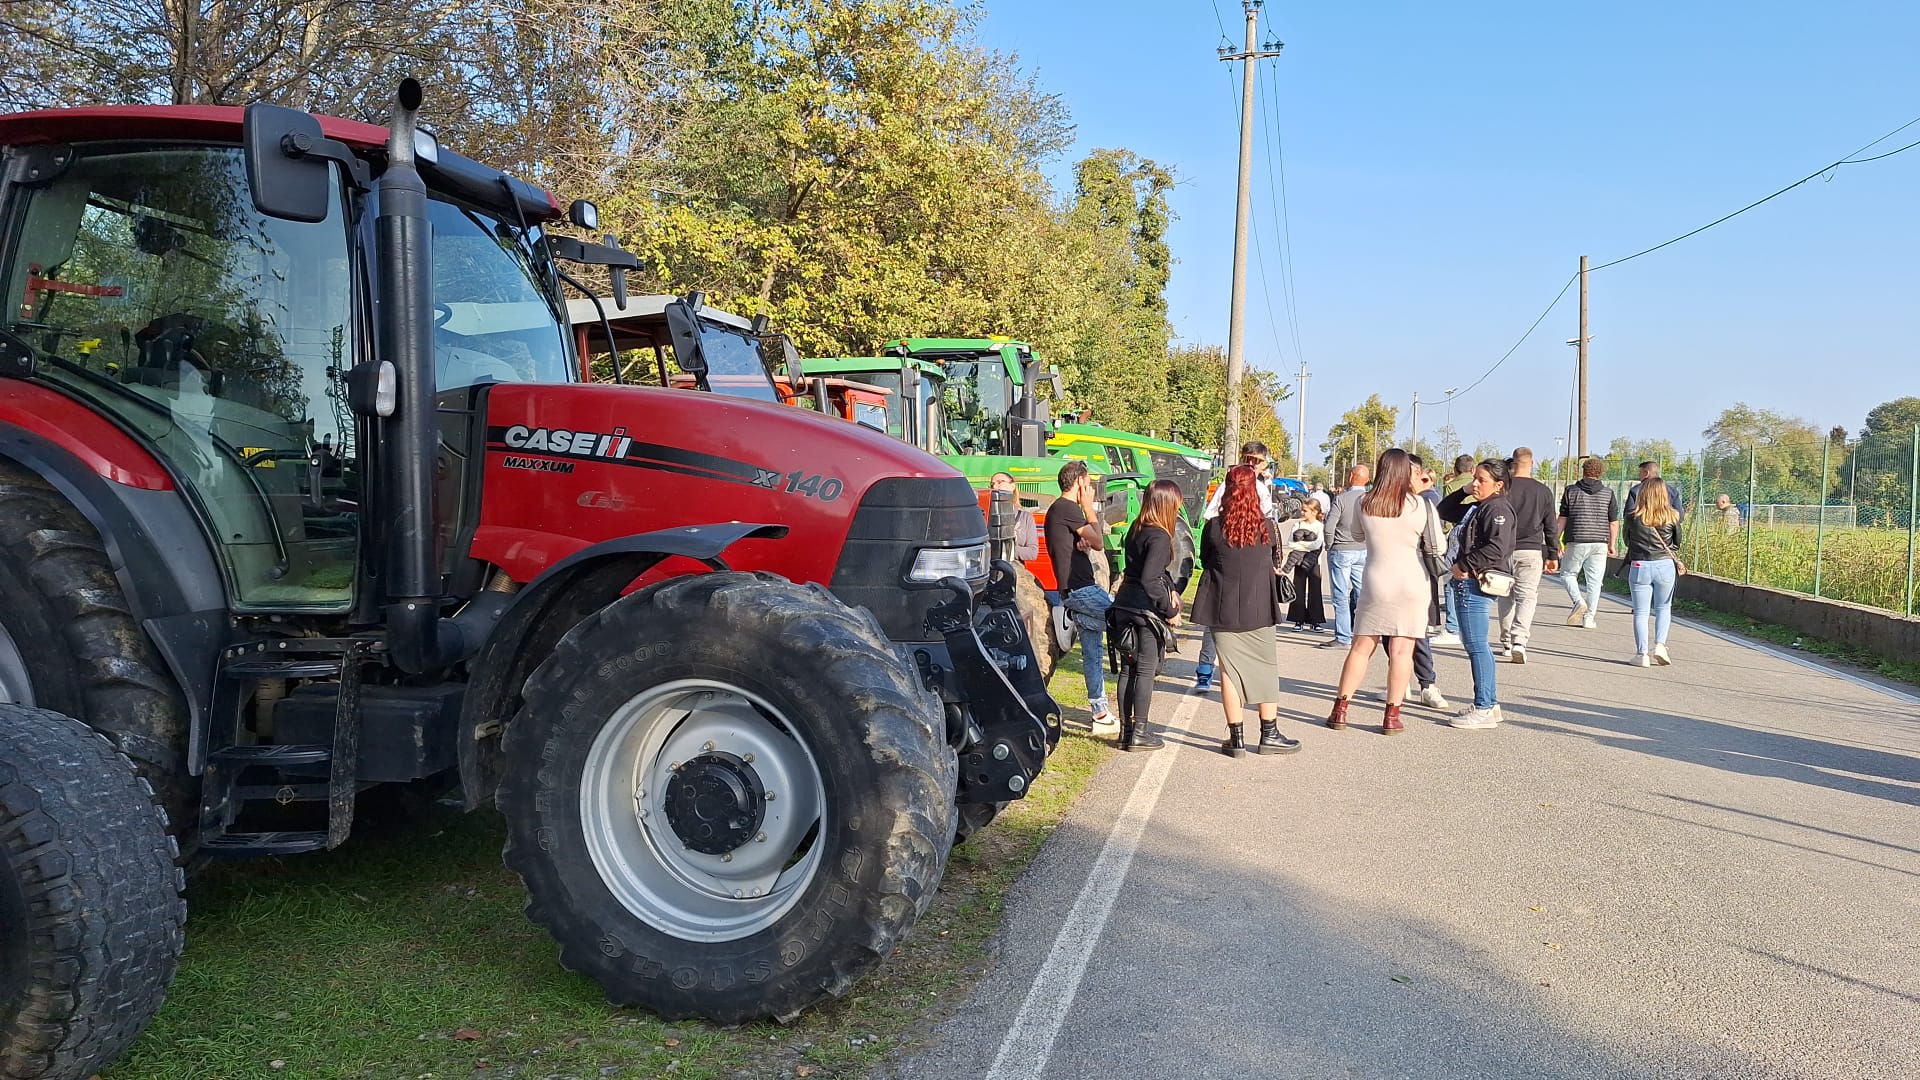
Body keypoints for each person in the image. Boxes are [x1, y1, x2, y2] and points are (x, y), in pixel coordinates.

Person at [1326, 450, 1442, 735]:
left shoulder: (1366, 502)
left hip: (1377, 579)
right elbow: (1437, 545)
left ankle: (1341, 709)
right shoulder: (1421, 505)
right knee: (1402, 650)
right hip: (1413, 580)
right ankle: (1391, 715)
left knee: (1362, 647)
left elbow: (1356, 535)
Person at [1192, 465, 1299, 757]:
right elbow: (1276, 560)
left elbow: (1205, 560)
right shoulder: (1267, 527)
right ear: (1255, 490)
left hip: (1223, 607)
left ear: (1227, 489)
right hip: (1259, 606)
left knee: (1228, 672)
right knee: (1266, 667)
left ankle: (1236, 738)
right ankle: (1269, 734)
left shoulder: (1213, 527)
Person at [1106, 480, 1185, 751]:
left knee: (1128, 670)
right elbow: (1151, 579)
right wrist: (1170, 610)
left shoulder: (1137, 528)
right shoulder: (1161, 536)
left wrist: (1171, 589)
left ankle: (1127, 732)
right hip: (1144, 611)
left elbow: (1146, 571)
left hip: (1124, 604)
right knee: (1145, 671)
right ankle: (1140, 731)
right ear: (1167, 504)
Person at [1438, 459, 1517, 730]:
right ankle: (1489, 704)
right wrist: (1464, 491)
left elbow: (1498, 547)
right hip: (1468, 581)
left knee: (1477, 645)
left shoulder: (1497, 508)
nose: (1476, 484)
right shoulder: (1479, 505)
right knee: (1475, 644)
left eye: (1482, 481)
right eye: (1475, 478)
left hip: (1476, 583)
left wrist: (1464, 564)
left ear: (1499, 484)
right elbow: (1444, 510)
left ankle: (1484, 706)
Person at [1195, 442, 1274, 692]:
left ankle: (1207, 670)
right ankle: (1224, 671)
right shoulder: (1256, 488)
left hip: (1225, 549)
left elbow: (1208, 525)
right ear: (1258, 462)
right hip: (1243, 550)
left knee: (1217, 619)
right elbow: (1267, 524)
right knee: (1248, 621)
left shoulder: (1226, 485)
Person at [1045, 460, 1115, 731]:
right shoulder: (1067, 508)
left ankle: (1100, 712)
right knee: (1126, 620)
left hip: (1077, 588)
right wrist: (1089, 507)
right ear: (1079, 484)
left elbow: (1088, 543)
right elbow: (1099, 541)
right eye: (1088, 484)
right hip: (1081, 589)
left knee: (1093, 650)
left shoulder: (1061, 511)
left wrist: (1081, 546)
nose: (1092, 489)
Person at [1495, 447, 1559, 664]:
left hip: (1503, 549)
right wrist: (1553, 554)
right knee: (1527, 596)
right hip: (1531, 550)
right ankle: (1519, 640)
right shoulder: (1543, 491)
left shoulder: (1504, 488)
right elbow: (1551, 526)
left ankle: (1505, 642)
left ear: (1513, 462)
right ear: (1532, 463)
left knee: (1505, 595)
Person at [1404, 455, 1450, 710]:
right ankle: (1401, 684)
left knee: (1418, 631)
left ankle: (1427, 684)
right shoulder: (1389, 502)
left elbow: (1436, 544)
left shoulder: (1427, 500)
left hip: (1419, 572)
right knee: (1391, 634)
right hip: (1393, 575)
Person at [1624, 477, 1685, 668]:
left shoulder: (1633, 517)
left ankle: (1641, 654)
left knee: (1641, 612)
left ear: (1643, 494)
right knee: (1663, 608)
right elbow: (1676, 542)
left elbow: (1627, 541)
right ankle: (1660, 645)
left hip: (1640, 564)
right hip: (1665, 565)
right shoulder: (1673, 516)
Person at [1556, 456, 1620, 628]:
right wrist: (1612, 544)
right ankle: (1589, 618)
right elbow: (1613, 522)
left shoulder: (1571, 491)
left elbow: (1563, 518)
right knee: (1595, 581)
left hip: (1577, 539)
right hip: (1600, 541)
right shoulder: (1608, 493)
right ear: (1601, 473)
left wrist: (1556, 540)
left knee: (1568, 574)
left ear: (1583, 471)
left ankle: (1578, 601)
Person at [1320, 464, 1372, 650]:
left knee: (1340, 594)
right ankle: (1362, 632)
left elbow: (1329, 526)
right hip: (1364, 550)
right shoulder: (1371, 499)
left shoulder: (1341, 499)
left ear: (1351, 476)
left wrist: (1329, 544)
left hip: (1342, 549)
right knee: (1361, 592)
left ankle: (1343, 637)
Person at [1282, 498, 1326, 631]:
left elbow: (1318, 544)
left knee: (1315, 591)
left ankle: (1315, 621)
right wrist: (1308, 546)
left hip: (1314, 563)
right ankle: (1298, 620)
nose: (1302, 512)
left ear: (1314, 512)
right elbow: (1291, 544)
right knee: (1298, 590)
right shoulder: (1298, 525)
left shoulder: (1320, 526)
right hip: (1299, 562)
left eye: (1305, 510)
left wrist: (1301, 546)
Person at [990, 471, 1039, 563]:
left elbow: (1033, 552)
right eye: (992, 484)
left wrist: (1005, 549)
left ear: (1012, 486)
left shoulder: (1025, 518)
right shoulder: (986, 515)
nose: (995, 487)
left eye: (1000, 482)